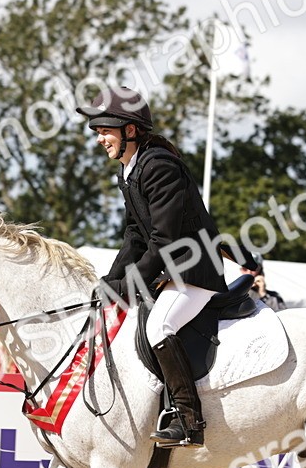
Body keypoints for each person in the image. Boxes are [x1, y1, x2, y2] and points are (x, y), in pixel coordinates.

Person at [77, 87, 236, 449]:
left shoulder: (159, 167)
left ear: (130, 130)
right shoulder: (131, 170)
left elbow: (163, 242)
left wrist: (127, 284)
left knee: (159, 326)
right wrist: (112, 280)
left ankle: (188, 419)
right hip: (172, 268)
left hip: (195, 269)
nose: (100, 139)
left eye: (105, 131)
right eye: (98, 132)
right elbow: (135, 235)